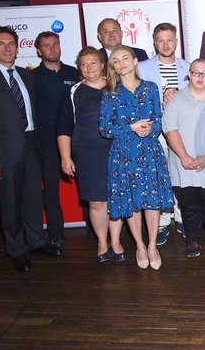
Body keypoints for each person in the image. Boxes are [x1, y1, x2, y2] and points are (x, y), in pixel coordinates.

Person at [0, 26, 62, 272]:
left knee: (33, 199)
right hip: (3, 153)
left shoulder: (26, 75)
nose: (7, 48)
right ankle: (17, 250)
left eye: (11, 43)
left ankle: (36, 242)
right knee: (10, 205)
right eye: (1, 44)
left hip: (32, 146)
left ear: (18, 48)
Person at [99, 46, 173, 270]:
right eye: (116, 60)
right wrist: (130, 127)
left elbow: (159, 119)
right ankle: (140, 246)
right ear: (112, 66)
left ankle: (152, 246)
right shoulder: (110, 93)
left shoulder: (150, 88)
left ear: (134, 61)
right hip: (124, 154)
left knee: (152, 201)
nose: (121, 63)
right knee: (131, 202)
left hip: (149, 151)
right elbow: (105, 128)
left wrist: (151, 129)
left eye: (125, 58)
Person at [57, 47, 123, 262]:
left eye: (93, 62)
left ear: (103, 64)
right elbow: (64, 126)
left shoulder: (118, 86)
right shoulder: (73, 91)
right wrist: (65, 157)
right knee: (96, 202)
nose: (89, 67)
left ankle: (116, 241)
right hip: (87, 154)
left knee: (116, 199)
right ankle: (102, 242)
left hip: (117, 152)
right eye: (84, 64)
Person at [164, 59, 205, 258]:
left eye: (204, 73)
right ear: (189, 75)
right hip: (182, 164)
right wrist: (184, 156)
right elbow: (170, 129)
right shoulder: (174, 100)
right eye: (196, 72)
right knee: (188, 205)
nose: (200, 77)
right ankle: (193, 239)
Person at [138, 22, 191, 245]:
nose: (166, 44)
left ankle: (181, 218)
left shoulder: (188, 67)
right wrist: (162, 99)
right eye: (161, 40)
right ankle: (161, 221)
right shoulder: (141, 68)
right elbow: (138, 100)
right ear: (154, 43)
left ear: (176, 41)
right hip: (154, 131)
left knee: (180, 174)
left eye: (170, 40)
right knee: (158, 175)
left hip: (181, 129)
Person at [31, 31, 80, 247]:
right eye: (46, 45)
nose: (52, 49)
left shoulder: (74, 73)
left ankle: (93, 224)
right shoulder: (32, 77)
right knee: (51, 189)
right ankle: (56, 230)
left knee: (85, 185)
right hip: (48, 143)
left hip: (76, 140)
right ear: (38, 50)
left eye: (55, 44)